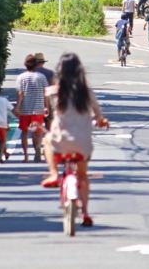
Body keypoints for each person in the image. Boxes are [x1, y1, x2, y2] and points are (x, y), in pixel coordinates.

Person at [40, 53, 109, 227]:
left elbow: (46, 111)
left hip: (60, 141)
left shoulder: (53, 92)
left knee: (47, 139)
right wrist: (101, 121)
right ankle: (85, 212)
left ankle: (54, 173)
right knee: (83, 177)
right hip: (82, 144)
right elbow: (99, 117)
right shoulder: (87, 93)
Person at [14, 54, 50, 163]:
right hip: (38, 108)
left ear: (25, 65)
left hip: (25, 109)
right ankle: (37, 148)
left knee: (24, 133)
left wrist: (18, 107)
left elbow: (20, 93)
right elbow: (45, 93)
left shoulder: (21, 77)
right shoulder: (41, 77)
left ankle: (25, 156)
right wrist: (46, 106)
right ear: (36, 65)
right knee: (37, 132)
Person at [35, 52, 54, 129]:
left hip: (34, 101)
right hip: (48, 100)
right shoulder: (50, 73)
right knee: (49, 120)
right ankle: (48, 137)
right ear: (43, 62)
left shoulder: (29, 73)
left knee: (36, 123)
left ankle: (37, 139)